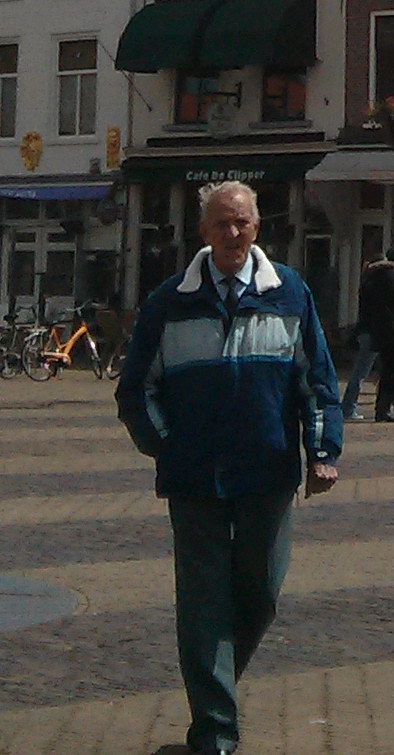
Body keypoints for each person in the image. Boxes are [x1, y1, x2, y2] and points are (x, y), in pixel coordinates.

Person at [117, 181, 342, 755]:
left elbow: (316, 380)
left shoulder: (289, 293)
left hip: (267, 472)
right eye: (221, 223)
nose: (232, 233)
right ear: (203, 231)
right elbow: (136, 389)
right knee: (202, 602)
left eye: (241, 222)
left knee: (261, 592)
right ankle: (215, 731)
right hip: (195, 480)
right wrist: (166, 446)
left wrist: (322, 452)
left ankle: (212, 679)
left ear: (257, 227)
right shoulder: (169, 301)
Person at [345, 249, 394, 423]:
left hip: (370, 331)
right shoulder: (378, 282)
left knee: (385, 369)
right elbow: (392, 301)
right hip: (372, 332)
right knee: (363, 371)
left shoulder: (368, 281)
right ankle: (348, 407)